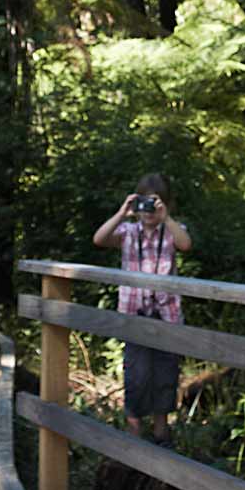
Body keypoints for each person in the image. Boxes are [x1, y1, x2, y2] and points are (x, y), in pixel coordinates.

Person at [91, 174, 193, 445]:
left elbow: (186, 244)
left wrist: (166, 217)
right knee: (136, 374)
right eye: (144, 203)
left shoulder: (171, 231)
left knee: (165, 373)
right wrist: (123, 212)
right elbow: (99, 239)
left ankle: (161, 431)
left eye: (154, 203)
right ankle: (134, 432)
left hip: (166, 316)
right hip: (134, 315)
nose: (149, 210)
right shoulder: (127, 232)